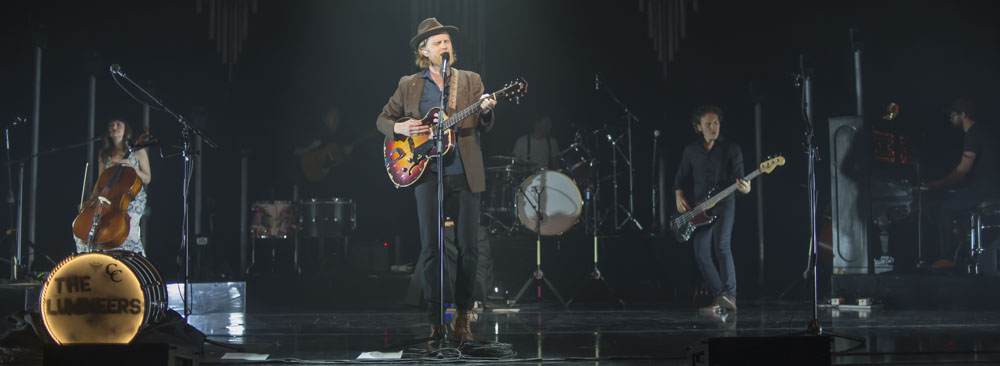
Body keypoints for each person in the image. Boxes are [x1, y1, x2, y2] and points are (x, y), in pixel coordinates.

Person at [375, 17, 496, 340]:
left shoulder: (470, 80)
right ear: (424, 51)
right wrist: (399, 127)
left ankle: (463, 315)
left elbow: (484, 123)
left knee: (469, 248)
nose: (445, 46)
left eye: (447, 41)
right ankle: (434, 318)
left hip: (466, 174)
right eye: (438, 42)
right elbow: (383, 120)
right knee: (431, 247)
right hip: (426, 173)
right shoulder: (409, 84)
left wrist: (485, 110)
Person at [673, 105, 749, 313]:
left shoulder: (731, 148)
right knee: (701, 252)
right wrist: (678, 193)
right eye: (708, 123)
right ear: (699, 127)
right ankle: (720, 296)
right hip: (701, 207)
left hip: (725, 203)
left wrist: (746, 188)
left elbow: (741, 179)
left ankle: (731, 297)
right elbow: (680, 177)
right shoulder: (691, 150)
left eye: (716, 123)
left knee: (722, 246)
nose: (713, 127)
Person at [923, 99, 1000, 269]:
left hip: (988, 189)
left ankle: (948, 257)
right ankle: (963, 253)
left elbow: (962, 171)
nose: (950, 117)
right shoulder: (984, 132)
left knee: (945, 208)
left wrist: (936, 184)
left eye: (953, 114)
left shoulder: (973, 133)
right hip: (990, 186)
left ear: (963, 115)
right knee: (956, 203)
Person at [75, 119, 152, 255]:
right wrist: (91, 200)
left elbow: (147, 178)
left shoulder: (138, 151)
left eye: (118, 124)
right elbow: (100, 181)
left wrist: (134, 168)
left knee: (127, 232)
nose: (114, 127)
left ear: (125, 128)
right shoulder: (104, 153)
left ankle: (137, 264)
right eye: (111, 125)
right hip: (108, 197)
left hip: (132, 198)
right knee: (89, 226)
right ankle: (92, 259)